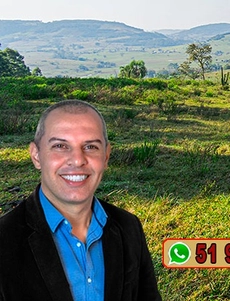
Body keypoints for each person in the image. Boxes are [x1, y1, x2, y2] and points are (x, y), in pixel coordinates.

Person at [0, 99, 161, 301]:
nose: (77, 160)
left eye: (91, 147)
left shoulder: (129, 227)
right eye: (60, 146)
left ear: (106, 156)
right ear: (36, 155)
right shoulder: (4, 239)